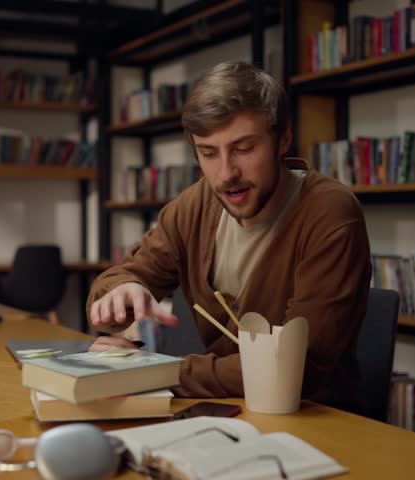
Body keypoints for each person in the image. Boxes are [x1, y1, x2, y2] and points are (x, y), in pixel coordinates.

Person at [86, 61, 371, 412]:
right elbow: (122, 278)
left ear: (282, 138)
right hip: (228, 411)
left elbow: (295, 366)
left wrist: (158, 371)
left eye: (244, 148)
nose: (226, 174)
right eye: (208, 153)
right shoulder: (195, 205)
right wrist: (119, 294)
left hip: (319, 420)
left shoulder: (330, 213)